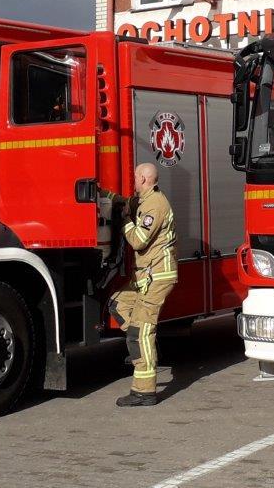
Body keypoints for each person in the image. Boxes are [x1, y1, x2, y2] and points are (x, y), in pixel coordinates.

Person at [101, 163, 178, 407]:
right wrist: (102, 194)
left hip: (157, 276)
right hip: (145, 276)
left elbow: (138, 240)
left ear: (144, 179)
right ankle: (145, 348)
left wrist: (125, 221)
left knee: (139, 332)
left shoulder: (155, 205)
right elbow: (125, 202)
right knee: (117, 303)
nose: (133, 180)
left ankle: (144, 391)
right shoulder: (143, 200)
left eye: (135, 177)